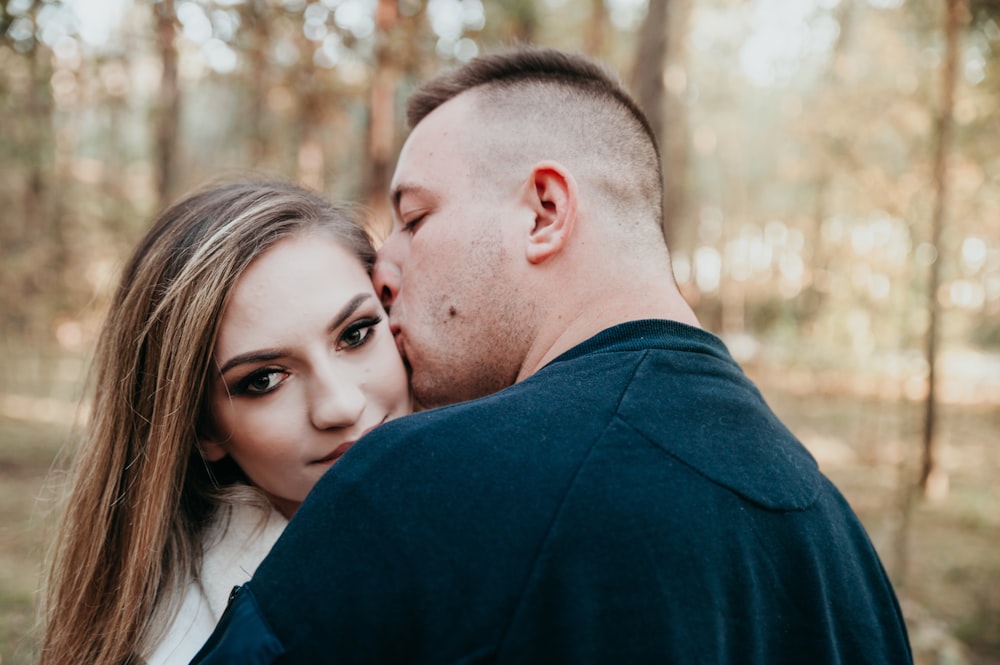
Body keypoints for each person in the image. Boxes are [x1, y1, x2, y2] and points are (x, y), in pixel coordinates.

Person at [191, 47, 913, 663]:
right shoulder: (842, 548)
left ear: (543, 211)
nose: (384, 267)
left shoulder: (417, 481)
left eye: (413, 217)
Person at [39, 180, 410, 665]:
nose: (339, 406)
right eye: (264, 380)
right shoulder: (192, 646)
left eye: (356, 334)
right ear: (203, 431)